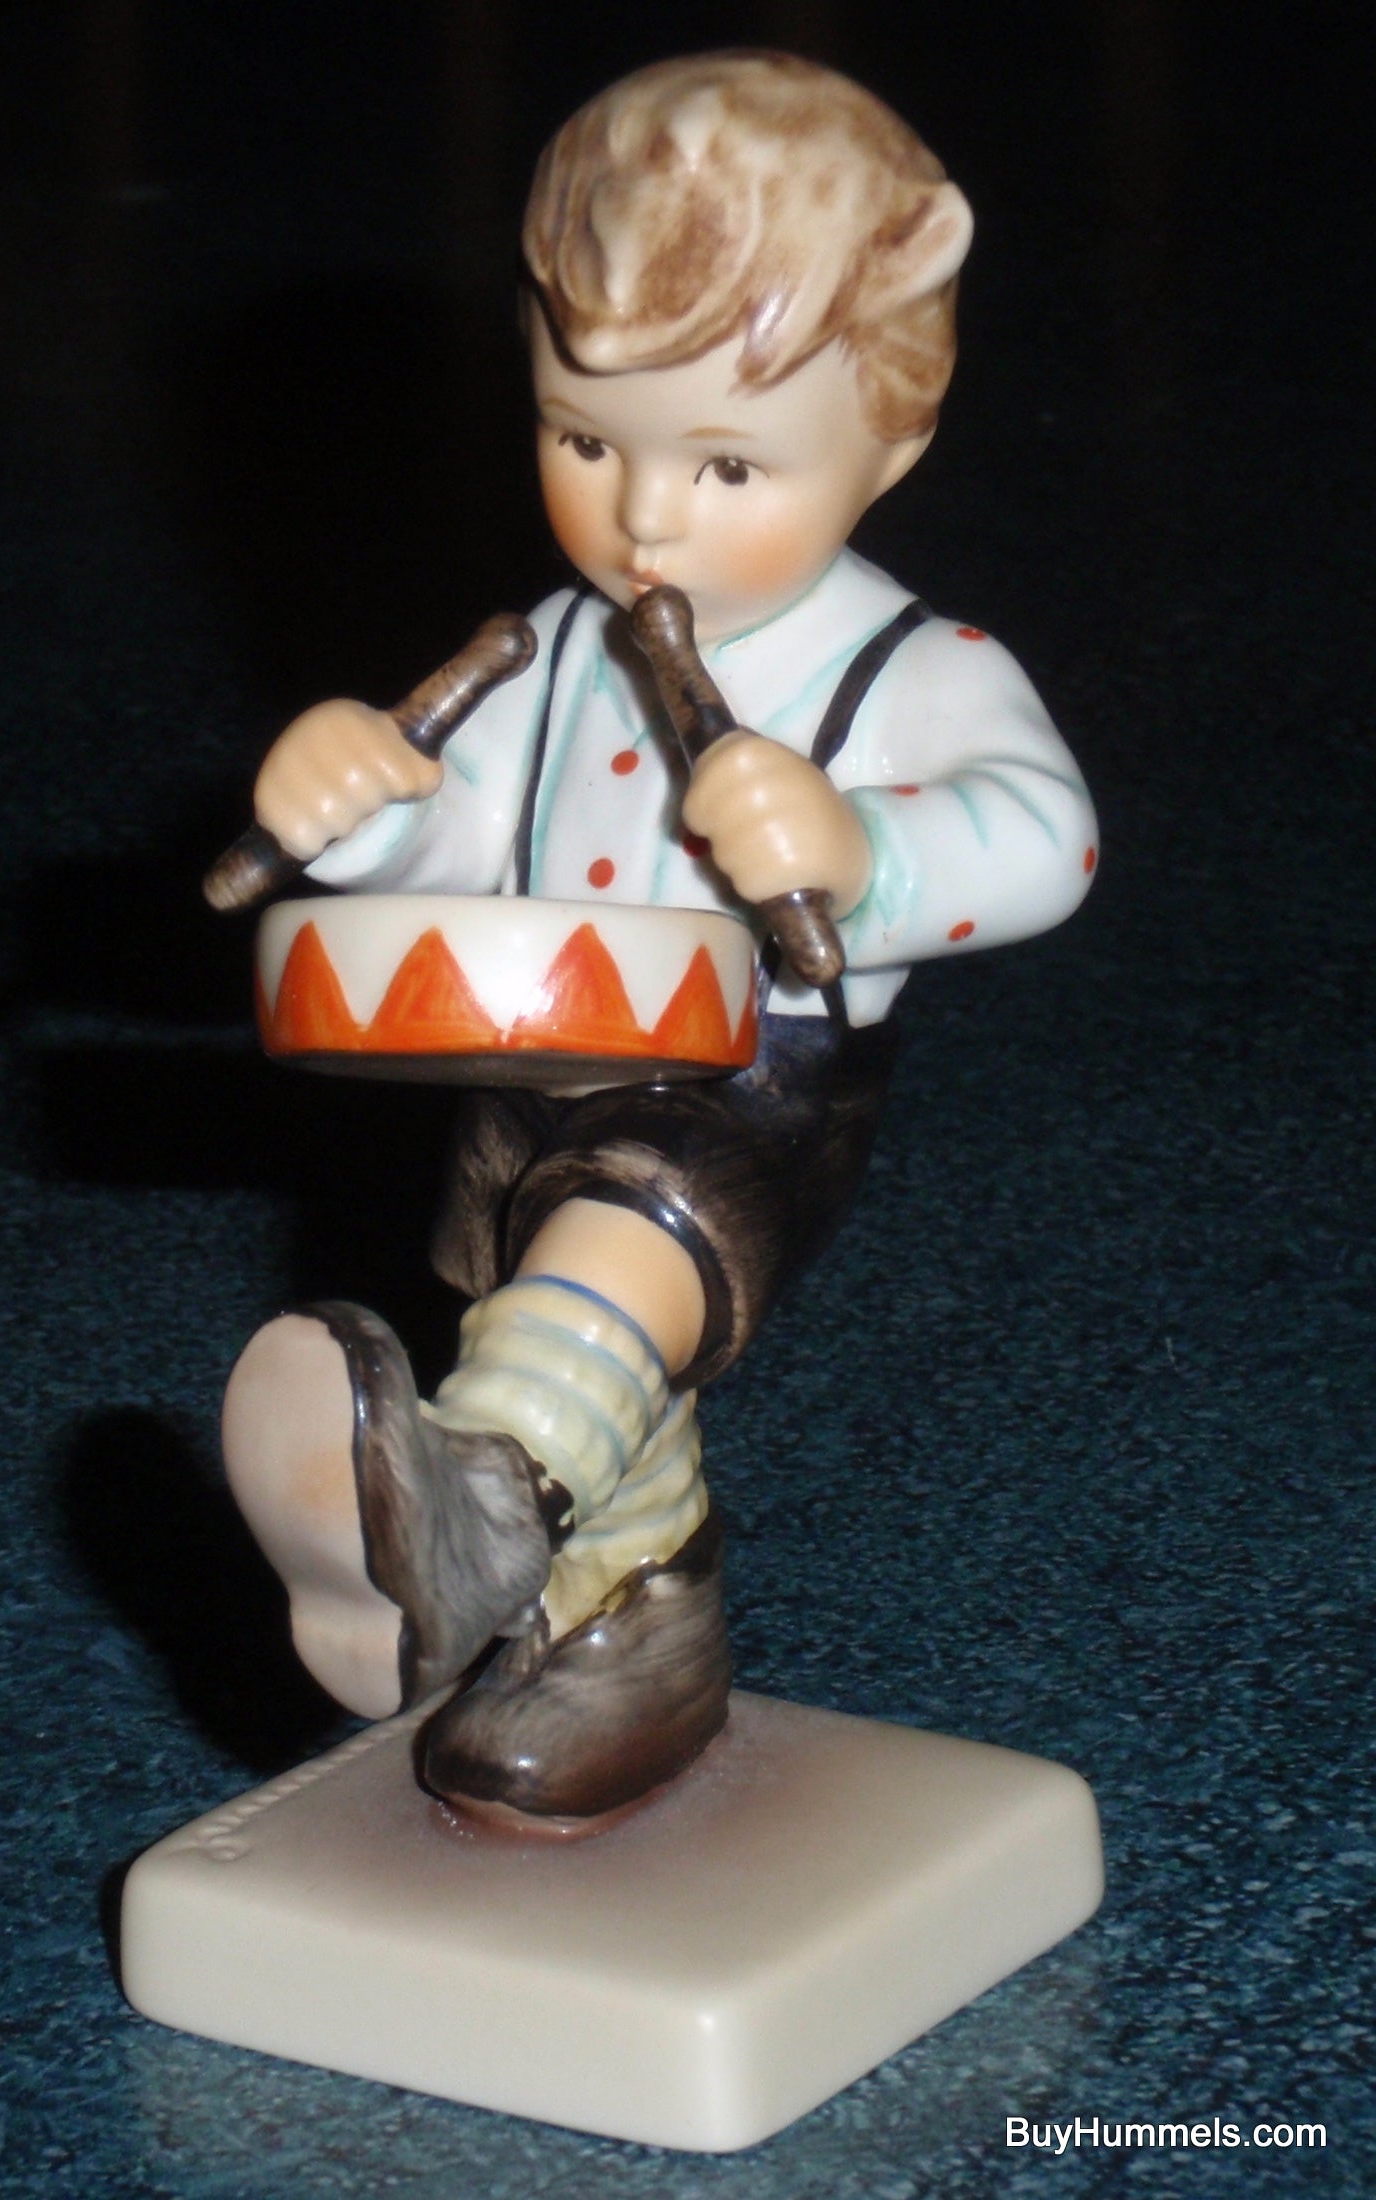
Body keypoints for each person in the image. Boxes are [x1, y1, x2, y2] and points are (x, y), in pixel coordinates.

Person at [222, 51, 1097, 1831]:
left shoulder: (912, 667)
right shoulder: (548, 648)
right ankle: (622, 1627)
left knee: (612, 1263)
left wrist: (860, 849)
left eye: (725, 460)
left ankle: (478, 1498)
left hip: (749, 1086)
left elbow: (1050, 839)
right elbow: (461, 830)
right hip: (531, 1050)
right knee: (539, 1315)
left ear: (895, 437)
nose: (641, 516)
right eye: (582, 439)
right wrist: (363, 808)